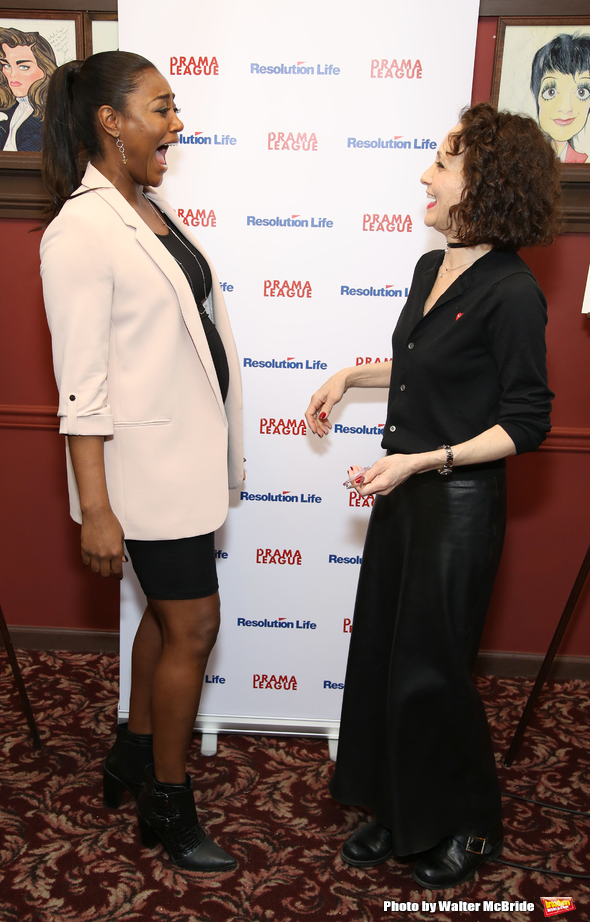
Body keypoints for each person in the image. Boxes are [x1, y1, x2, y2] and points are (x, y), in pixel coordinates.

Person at [305, 102, 561, 889]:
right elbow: (425, 366)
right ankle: (397, 808)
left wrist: (422, 461)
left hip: (457, 507)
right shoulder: (431, 266)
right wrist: (354, 374)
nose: (425, 174)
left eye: (443, 164)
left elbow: (526, 422)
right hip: (407, 493)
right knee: (384, 657)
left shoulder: (514, 292)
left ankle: (474, 828)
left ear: (483, 184)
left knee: (436, 674)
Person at [40, 51, 243, 873]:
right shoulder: (80, 230)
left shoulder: (148, 207)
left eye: (176, 106)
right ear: (109, 122)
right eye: (161, 107)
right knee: (192, 623)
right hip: (142, 480)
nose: (177, 122)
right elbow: (80, 390)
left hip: (184, 466)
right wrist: (96, 509)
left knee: (163, 620)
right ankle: (167, 804)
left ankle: (131, 753)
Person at [0, 26, 56, 151]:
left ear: (45, 69)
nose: (12, 74)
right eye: (7, 65)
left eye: (24, 67)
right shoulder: (3, 110)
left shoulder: (51, 115)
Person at [530, 32, 590, 163]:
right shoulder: (523, 161)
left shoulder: (583, 161)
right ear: (537, 95)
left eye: (582, 92)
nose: (565, 108)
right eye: (551, 92)